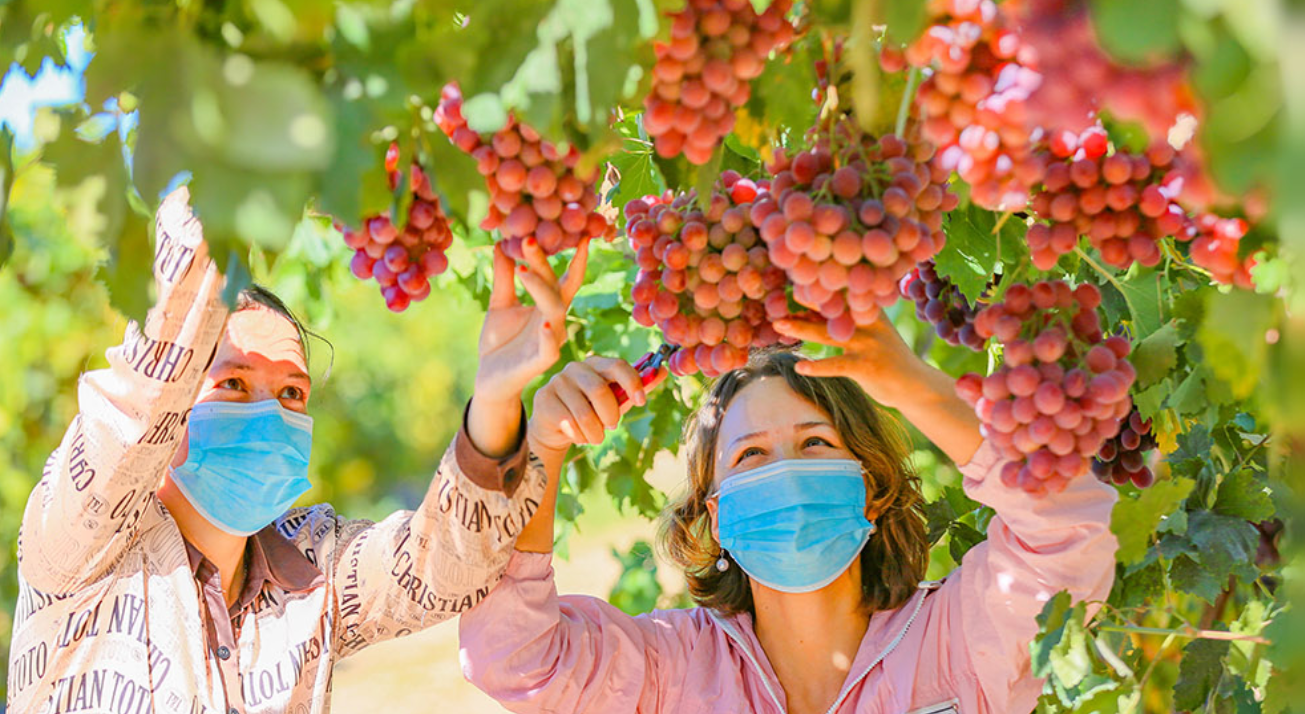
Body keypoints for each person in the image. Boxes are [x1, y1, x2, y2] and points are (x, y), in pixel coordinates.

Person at [6, 186, 593, 714]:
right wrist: (237, 168)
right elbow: (144, 388)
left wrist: (494, 399)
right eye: (233, 382)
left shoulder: (314, 567)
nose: (269, 413)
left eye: (292, 392)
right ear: (178, 393)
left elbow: (444, 567)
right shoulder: (79, 542)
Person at [458, 317, 1120, 714]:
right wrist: (535, 445)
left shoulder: (960, 638)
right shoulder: (669, 674)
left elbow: (1068, 530)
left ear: (871, 488)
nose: (784, 472)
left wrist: (912, 385)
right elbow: (514, 658)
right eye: (749, 455)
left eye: (814, 444)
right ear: (715, 518)